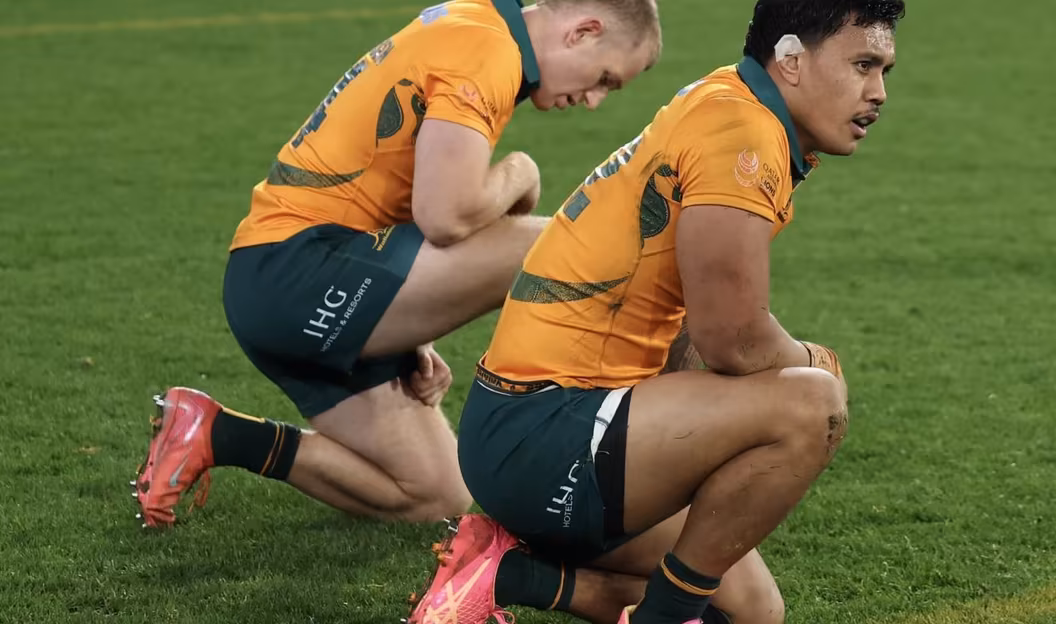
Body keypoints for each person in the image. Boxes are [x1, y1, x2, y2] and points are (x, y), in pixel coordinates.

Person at [406, 0, 905, 622]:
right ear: (791, 61)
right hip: (545, 431)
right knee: (811, 402)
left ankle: (513, 575)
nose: (878, 92)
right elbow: (733, 340)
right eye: (862, 65)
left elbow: (694, 331)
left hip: (537, 424)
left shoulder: (730, 102)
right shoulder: (743, 136)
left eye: (883, 70)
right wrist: (819, 360)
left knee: (752, 614)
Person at [132, 0, 663, 529]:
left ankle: (216, 433)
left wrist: (410, 330)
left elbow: (407, 192)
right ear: (583, 32)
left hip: (289, 282)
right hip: (298, 270)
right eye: (605, 79)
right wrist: (522, 172)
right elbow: (445, 215)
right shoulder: (488, 49)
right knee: (561, 244)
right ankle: (620, 437)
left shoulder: (475, 22)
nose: (594, 100)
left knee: (435, 494)